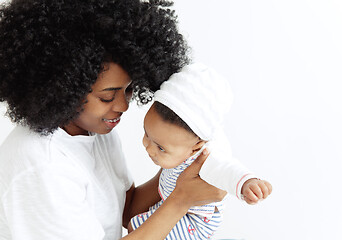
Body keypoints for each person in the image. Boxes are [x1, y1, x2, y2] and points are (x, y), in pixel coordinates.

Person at [0, 1, 226, 239]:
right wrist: (182, 199)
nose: (123, 106)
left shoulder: (94, 131)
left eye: (128, 90)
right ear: (63, 89)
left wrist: (184, 163)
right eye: (107, 96)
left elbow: (127, 210)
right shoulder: (42, 166)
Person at [128, 63, 273, 239]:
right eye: (146, 133)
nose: (148, 147)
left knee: (136, 229)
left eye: (160, 147)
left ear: (196, 147)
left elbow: (228, 169)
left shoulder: (207, 157)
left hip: (194, 222)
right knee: (134, 225)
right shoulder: (184, 143)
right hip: (174, 205)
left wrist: (247, 184)